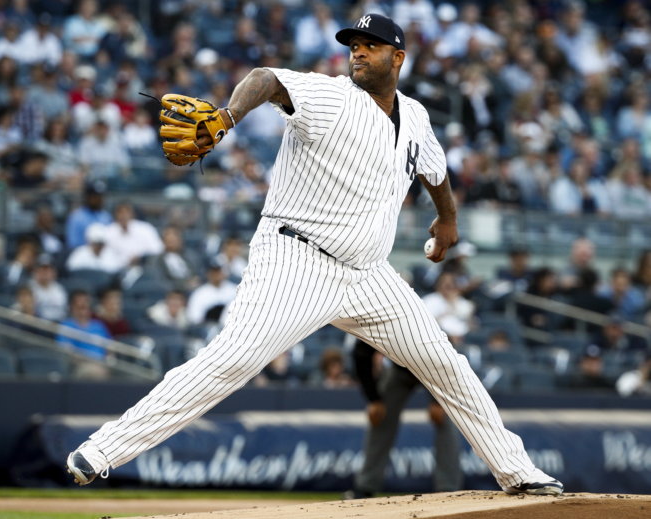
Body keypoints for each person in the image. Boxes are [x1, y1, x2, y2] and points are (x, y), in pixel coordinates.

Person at [67, 13, 563, 496]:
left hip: (369, 275)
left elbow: (434, 169)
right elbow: (266, 79)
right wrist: (227, 116)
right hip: (297, 259)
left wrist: (448, 219)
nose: (358, 51)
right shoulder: (332, 96)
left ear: (399, 57)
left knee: (447, 366)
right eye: (353, 44)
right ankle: (103, 450)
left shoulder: (414, 115)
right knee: (230, 361)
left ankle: (517, 471)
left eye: (370, 45)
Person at [346, 339, 463, 498]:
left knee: (446, 417)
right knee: (380, 416)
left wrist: (438, 402)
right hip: (400, 369)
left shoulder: (416, 323)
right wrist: (374, 400)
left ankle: (449, 489)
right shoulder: (372, 324)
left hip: (435, 367)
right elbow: (361, 356)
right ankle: (365, 486)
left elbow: (445, 359)